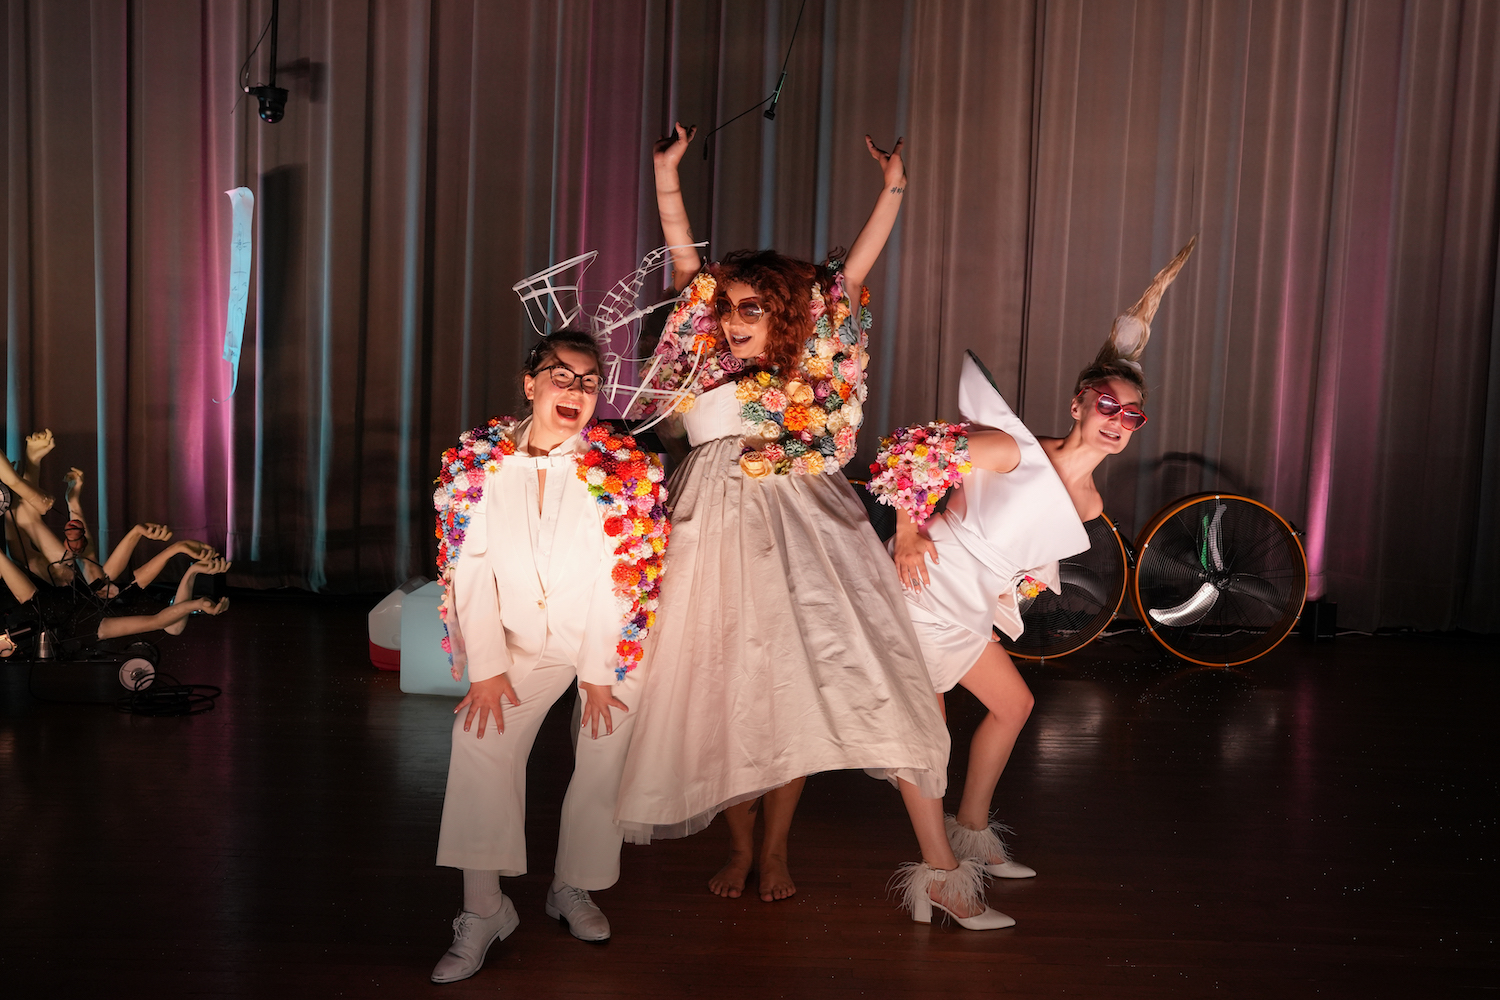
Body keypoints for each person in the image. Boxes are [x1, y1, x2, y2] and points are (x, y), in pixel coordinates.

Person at [613, 124, 986, 924]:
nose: (736, 318)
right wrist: (666, 179)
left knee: (791, 680)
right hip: (711, 514)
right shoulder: (703, 353)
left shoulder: (807, 364)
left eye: (753, 308)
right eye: (729, 308)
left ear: (782, 314)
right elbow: (685, 261)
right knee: (714, 683)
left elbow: (852, 270)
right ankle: (741, 843)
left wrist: (894, 187)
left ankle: (776, 845)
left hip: (804, 510)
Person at [871, 239, 1195, 921]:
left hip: (969, 611)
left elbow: (1026, 556)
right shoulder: (1014, 451)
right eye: (1109, 405)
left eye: (1132, 416)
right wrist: (906, 529)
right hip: (925, 591)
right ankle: (938, 875)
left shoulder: (1090, 507)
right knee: (926, 739)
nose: (1118, 423)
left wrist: (1014, 588)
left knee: (1014, 706)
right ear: (1080, 402)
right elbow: (910, 452)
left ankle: (975, 833)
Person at [428, 329, 669, 984]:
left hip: (603, 636)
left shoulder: (621, 468)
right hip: (516, 640)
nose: (576, 390)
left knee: (603, 745)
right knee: (477, 738)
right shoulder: (476, 465)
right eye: (561, 376)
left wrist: (596, 674)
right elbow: (468, 572)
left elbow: (622, 579)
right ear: (530, 384)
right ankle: (484, 909)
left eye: (589, 381)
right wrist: (486, 667)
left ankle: (574, 886)